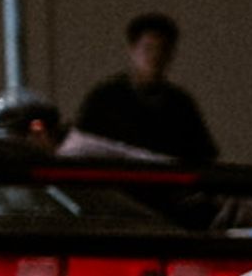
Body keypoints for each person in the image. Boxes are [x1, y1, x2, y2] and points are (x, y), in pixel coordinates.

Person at [73, 12, 218, 168]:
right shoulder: (105, 99)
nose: (155, 57)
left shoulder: (181, 104)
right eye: (148, 49)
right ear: (132, 50)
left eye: (163, 50)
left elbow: (202, 156)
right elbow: (82, 149)